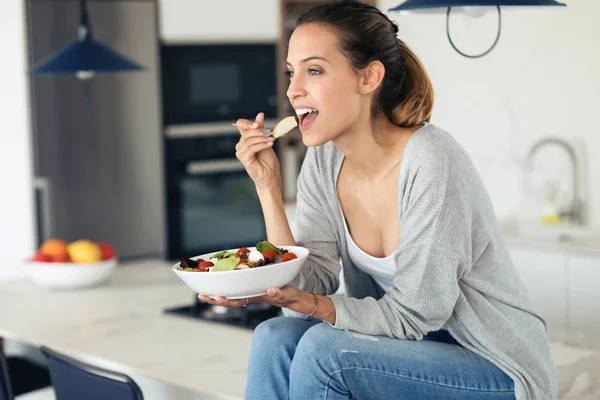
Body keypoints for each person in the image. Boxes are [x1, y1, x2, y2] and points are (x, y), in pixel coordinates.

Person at [197, 1, 557, 399]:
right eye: (291, 72)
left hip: (495, 366)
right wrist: (267, 186)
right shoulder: (324, 159)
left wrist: (316, 305)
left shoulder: (433, 162)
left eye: (313, 70)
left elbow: (416, 314)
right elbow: (309, 282)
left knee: (325, 353)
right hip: (416, 349)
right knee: (274, 336)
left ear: (369, 77)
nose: (292, 89)